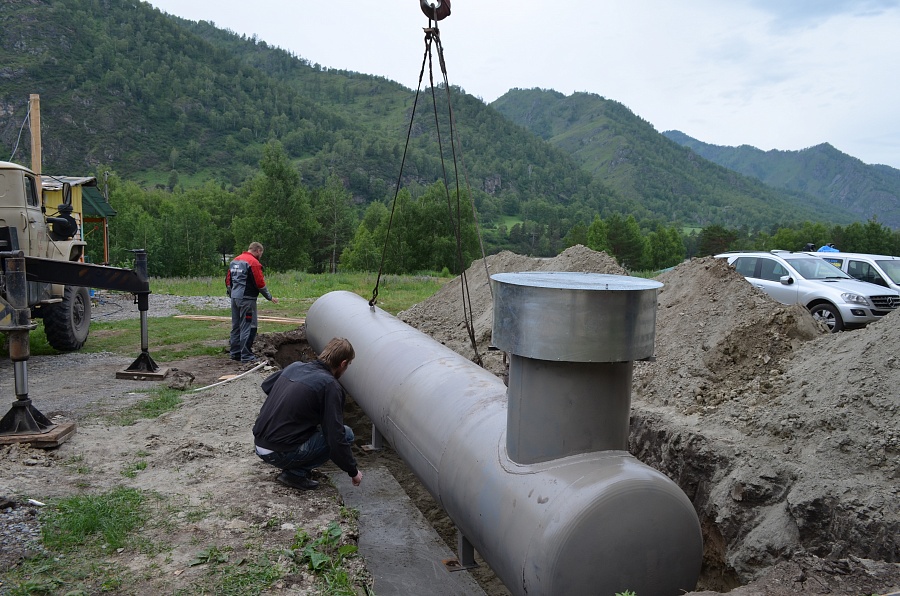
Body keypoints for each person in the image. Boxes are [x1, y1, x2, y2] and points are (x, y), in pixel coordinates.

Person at [252, 337, 363, 490]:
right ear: (343, 363)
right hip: (278, 452)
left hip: (260, 444)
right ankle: (295, 474)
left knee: (317, 428)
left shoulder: (295, 367)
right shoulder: (330, 385)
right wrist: (353, 471)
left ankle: (293, 464)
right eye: (348, 365)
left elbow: (267, 385)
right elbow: (335, 437)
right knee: (347, 434)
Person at [226, 242, 278, 363]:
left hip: (235, 298)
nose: (261, 255)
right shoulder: (253, 263)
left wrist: (232, 294)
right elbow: (260, 283)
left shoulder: (235, 261)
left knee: (236, 326)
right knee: (249, 326)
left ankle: (235, 353)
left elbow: (228, 280)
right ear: (258, 250)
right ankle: (246, 355)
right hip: (247, 299)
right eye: (261, 253)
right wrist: (269, 297)